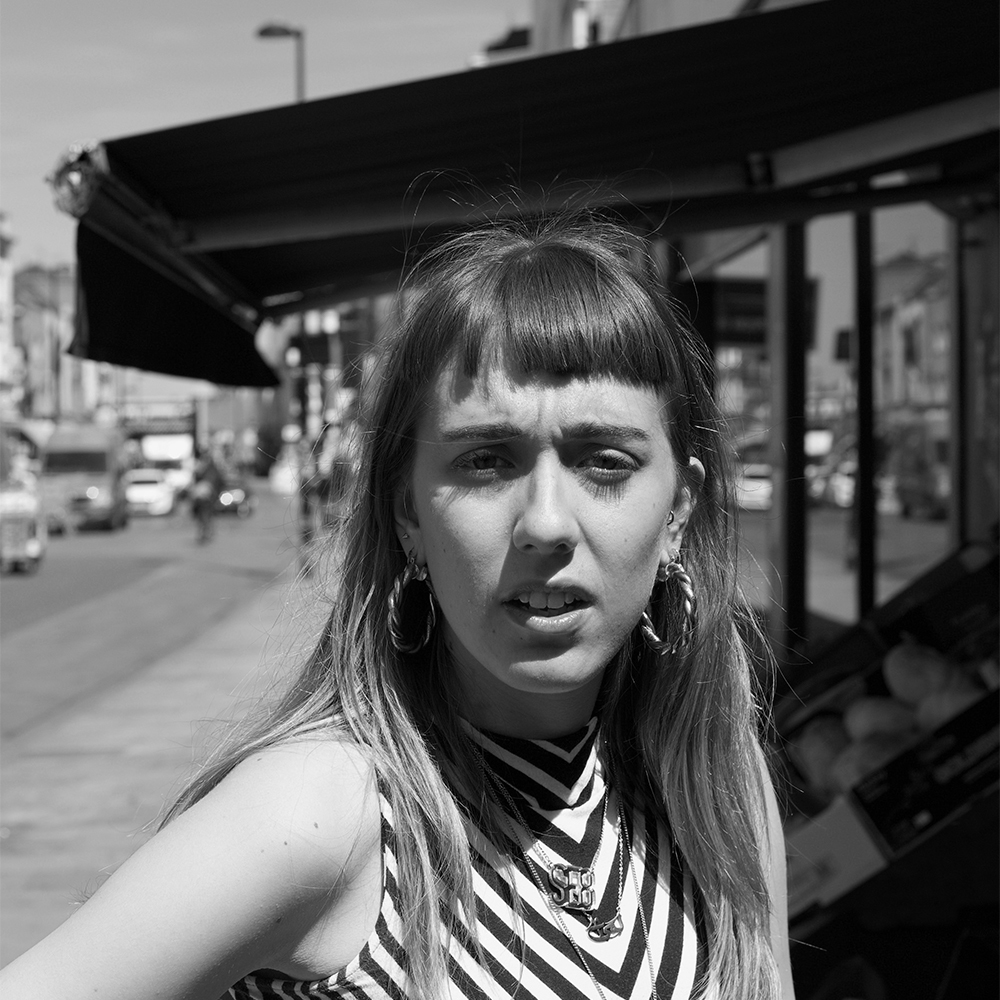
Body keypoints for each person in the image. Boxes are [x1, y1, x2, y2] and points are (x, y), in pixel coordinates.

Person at [0, 215, 795, 999]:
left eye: (605, 462)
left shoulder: (718, 787)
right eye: (487, 461)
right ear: (408, 511)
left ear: (679, 509)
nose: (547, 522)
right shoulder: (325, 813)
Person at [190, 446, 224, 543]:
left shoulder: (210, 468)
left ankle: (206, 533)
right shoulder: (203, 467)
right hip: (203, 497)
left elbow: (216, 481)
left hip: (207, 496)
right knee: (203, 516)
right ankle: (205, 533)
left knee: (206, 516)